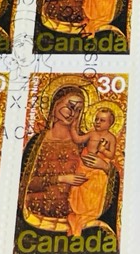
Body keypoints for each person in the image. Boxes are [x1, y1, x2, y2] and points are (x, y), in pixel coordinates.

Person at [19, 85, 119, 239]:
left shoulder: (85, 143)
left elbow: (107, 178)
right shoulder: (37, 143)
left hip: (79, 218)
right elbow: (24, 185)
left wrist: (105, 167)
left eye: (78, 110)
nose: (73, 113)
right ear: (55, 104)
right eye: (70, 106)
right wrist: (61, 178)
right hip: (35, 219)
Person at [67, 107, 120, 236]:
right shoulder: (92, 134)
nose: (97, 122)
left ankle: (89, 212)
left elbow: (111, 155)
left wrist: (102, 150)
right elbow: (78, 139)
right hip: (84, 167)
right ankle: (79, 211)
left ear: (110, 123)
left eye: (102, 120)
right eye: (96, 119)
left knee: (95, 186)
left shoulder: (111, 138)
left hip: (98, 170)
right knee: (79, 187)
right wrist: (73, 127)